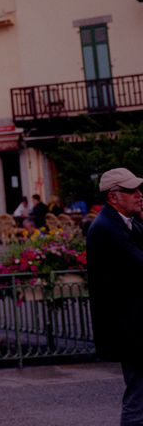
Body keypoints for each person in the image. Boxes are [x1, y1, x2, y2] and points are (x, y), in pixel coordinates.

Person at [86, 167, 143, 426]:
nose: (139, 195)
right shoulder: (107, 226)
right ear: (113, 197)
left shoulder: (128, 222)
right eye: (131, 191)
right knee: (138, 397)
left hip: (134, 323)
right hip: (130, 326)